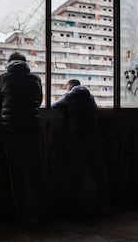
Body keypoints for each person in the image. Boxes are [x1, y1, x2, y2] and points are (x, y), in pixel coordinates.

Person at [0, 51, 46, 227]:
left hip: (12, 131)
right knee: (36, 171)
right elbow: (38, 101)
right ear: (25, 63)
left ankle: (22, 214)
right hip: (32, 129)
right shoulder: (35, 79)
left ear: (9, 63)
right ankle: (42, 211)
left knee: (17, 174)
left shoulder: (4, 78)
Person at [51, 79, 112, 215]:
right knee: (99, 172)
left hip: (77, 138)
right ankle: (106, 204)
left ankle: (73, 207)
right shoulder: (90, 97)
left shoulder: (70, 96)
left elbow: (54, 106)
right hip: (94, 137)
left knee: (75, 173)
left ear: (69, 87)